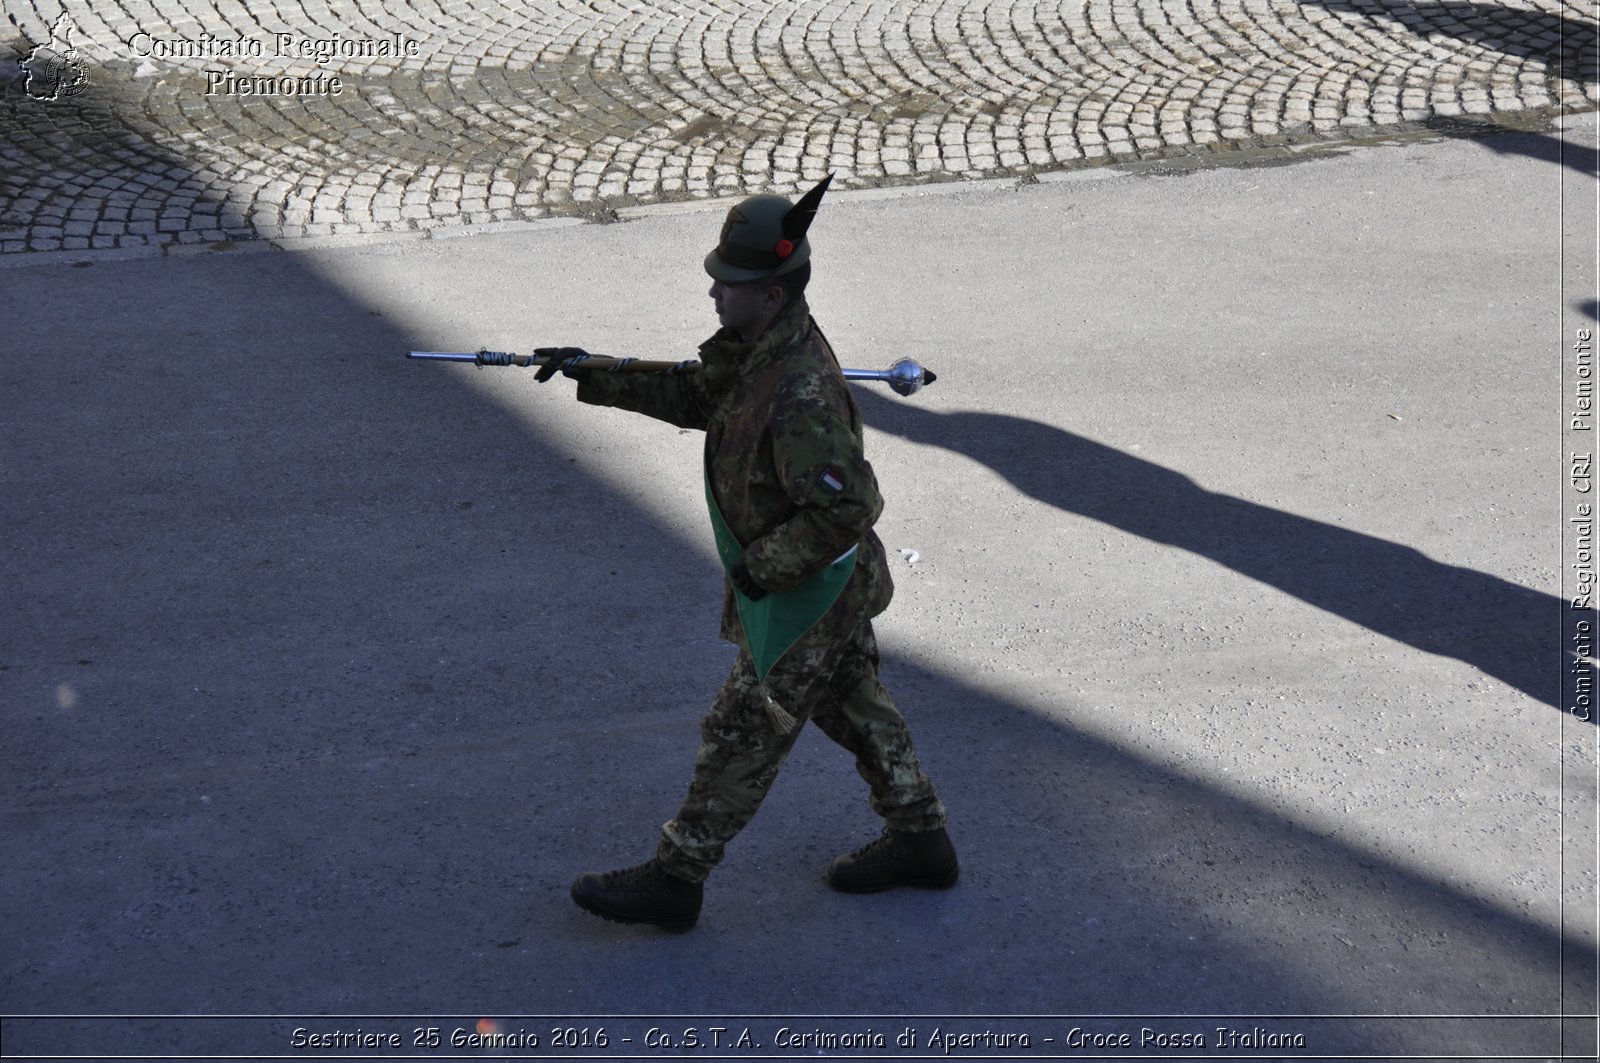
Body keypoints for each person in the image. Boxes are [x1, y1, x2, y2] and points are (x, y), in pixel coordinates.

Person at [538, 176, 955, 931]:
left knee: (743, 726)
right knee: (855, 703)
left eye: (728, 283)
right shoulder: (761, 348)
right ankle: (920, 836)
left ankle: (677, 876)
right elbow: (703, 397)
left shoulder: (797, 393)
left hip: (810, 594)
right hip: (828, 589)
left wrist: (762, 569)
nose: (712, 293)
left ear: (771, 293)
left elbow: (850, 506)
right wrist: (591, 373)